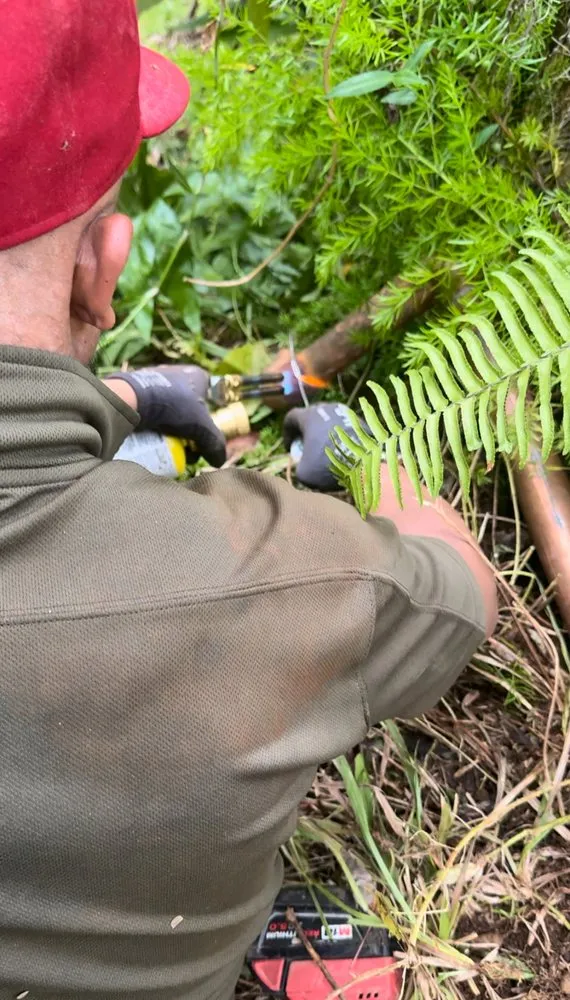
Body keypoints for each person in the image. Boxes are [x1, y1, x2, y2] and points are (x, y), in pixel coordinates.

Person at [0, 2, 497, 998]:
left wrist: (124, 398)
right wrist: (378, 462)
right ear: (106, 265)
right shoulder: (290, 577)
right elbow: (463, 589)